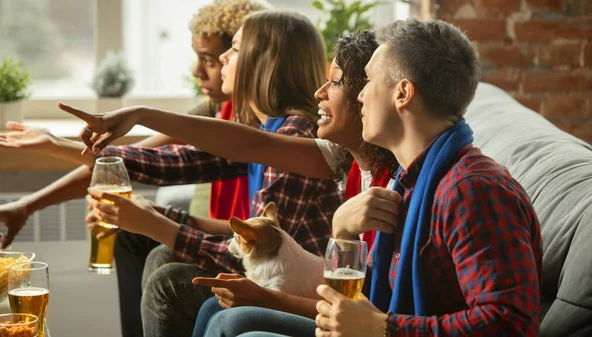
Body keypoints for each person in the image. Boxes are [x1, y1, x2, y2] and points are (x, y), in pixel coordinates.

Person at [194, 18, 543, 337]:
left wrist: (384, 327)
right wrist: (342, 232)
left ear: (402, 94)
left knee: (234, 324)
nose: (360, 95)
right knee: (221, 311)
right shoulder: (411, 181)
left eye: (370, 81)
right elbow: (359, 296)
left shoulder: (472, 190)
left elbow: (511, 322)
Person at [64, 10, 343, 337]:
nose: (223, 57)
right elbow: (180, 162)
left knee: (168, 282)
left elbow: (253, 261)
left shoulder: (292, 136)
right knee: (158, 253)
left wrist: (155, 220)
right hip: (263, 268)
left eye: (235, 48)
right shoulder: (264, 128)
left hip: (287, 284)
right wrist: (56, 147)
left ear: (263, 62)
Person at [0, 1, 266, 336]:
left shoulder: (274, 137)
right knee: (131, 234)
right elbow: (132, 163)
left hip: (241, 246)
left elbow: (268, 243)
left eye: (211, 60)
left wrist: (159, 217)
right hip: (227, 239)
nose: (198, 71)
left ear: (252, 61)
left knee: (159, 266)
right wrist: (29, 204)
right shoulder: (215, 108)